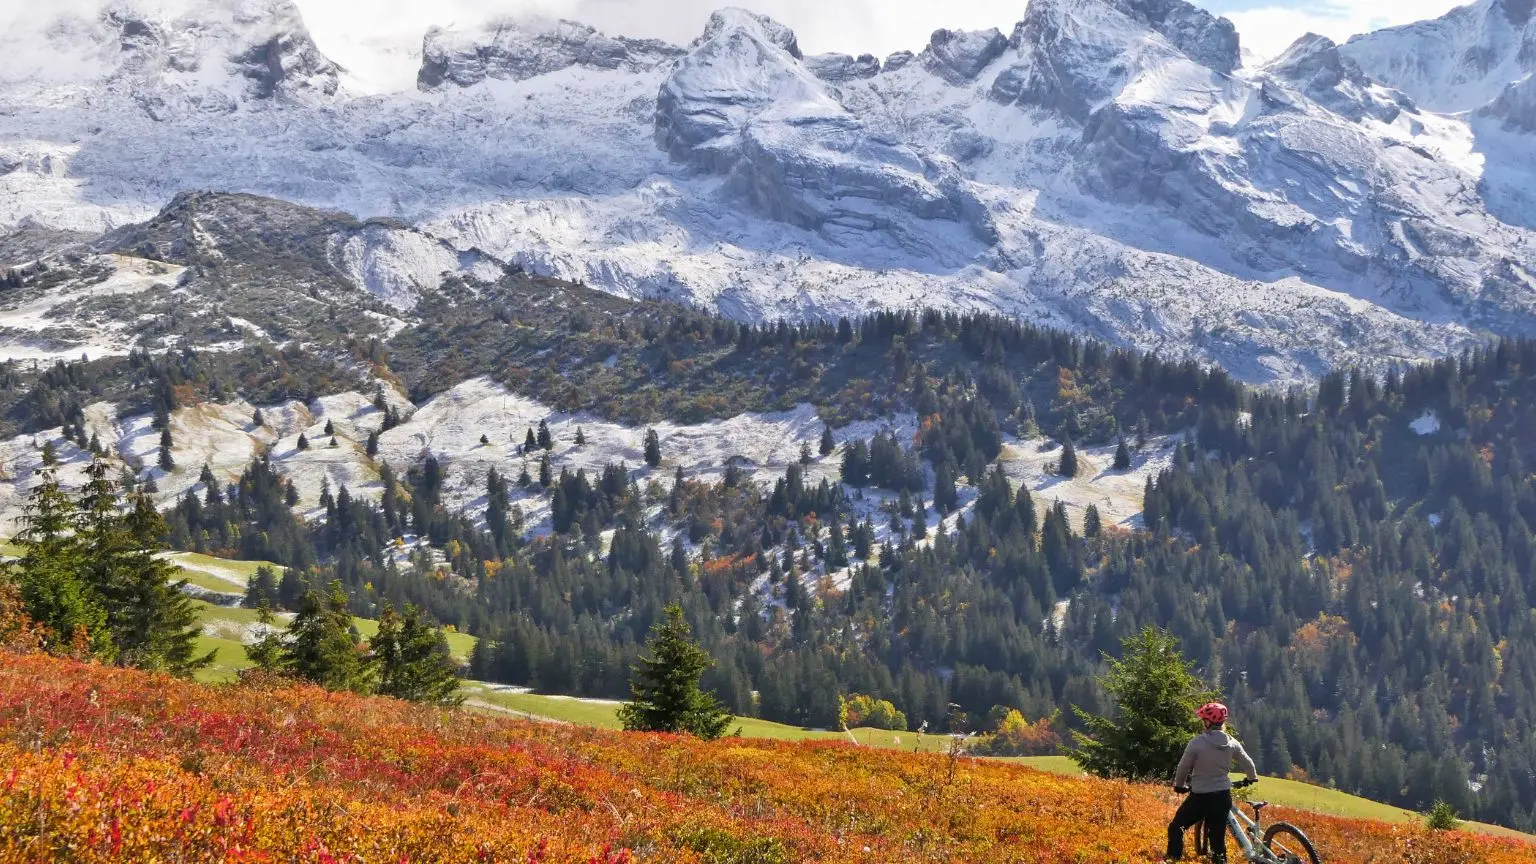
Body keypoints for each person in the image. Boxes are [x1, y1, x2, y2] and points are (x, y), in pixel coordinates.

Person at [1166, 702, 1258, 863]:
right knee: (1217, 840)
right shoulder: (1232, 743)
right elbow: (1248, 763)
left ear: (1208, 722)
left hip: (1201, 796)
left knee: (1177, 828)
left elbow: (1183, 767)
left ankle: (1173, 858)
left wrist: (1179, 786)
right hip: (1222, 797)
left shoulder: (1197, 743)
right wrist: (1251, 778)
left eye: (1204, 720)